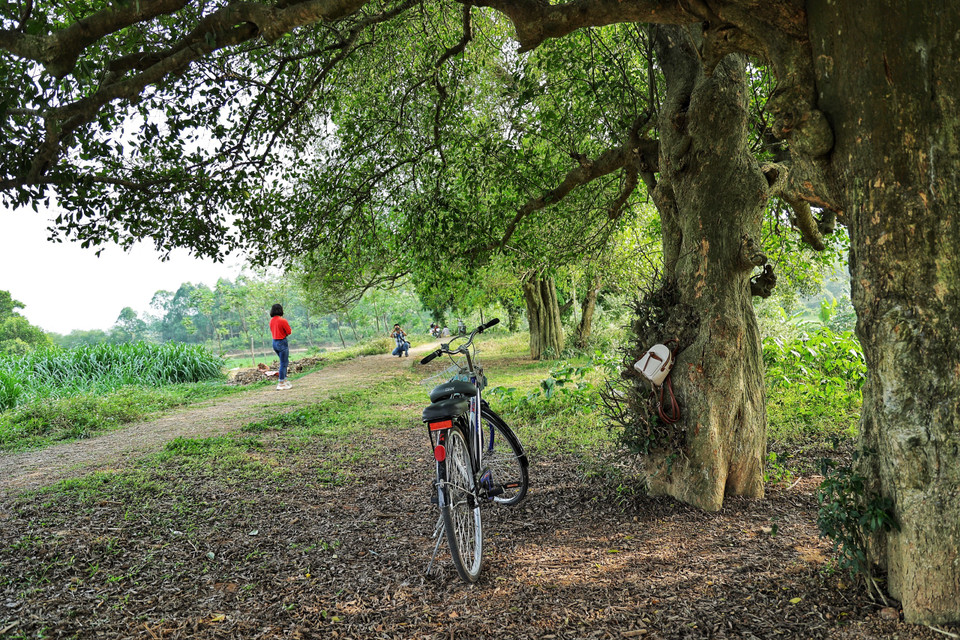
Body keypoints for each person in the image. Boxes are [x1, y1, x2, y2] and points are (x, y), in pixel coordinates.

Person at [270, 303, 292, 390]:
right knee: (283, 363)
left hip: (274, 342)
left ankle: (284, 380)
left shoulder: (271, 321)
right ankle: (281, 382)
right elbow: (289, 332)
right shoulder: (283, 320)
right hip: (282, 342)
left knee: (284, 362)